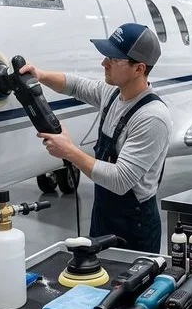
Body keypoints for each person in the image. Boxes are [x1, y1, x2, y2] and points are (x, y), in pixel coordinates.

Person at [20, 23, 172, 253]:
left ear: (139, 69)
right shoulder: (112, 93)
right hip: (104, 213)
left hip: (134, 225)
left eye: (113, 59)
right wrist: (39, 75)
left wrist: (69, 151)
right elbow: (76, 85)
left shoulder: (152, 118)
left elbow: (121, 180)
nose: (104, 63)